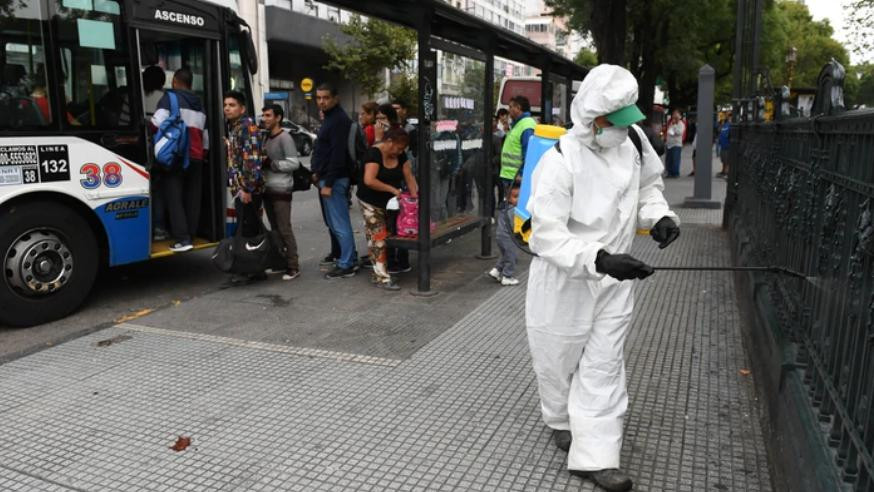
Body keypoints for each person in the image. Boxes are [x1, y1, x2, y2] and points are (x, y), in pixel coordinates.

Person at [525, 64, 680, 492]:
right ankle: (558, 417)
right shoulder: (560, 162)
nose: (624, 129)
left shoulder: (631, 140)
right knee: (557, 359)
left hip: (615, 281)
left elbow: (649, 187)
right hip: (565, 281)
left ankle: (595, 456)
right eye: (615, 122)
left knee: (604, 365)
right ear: (592, 118)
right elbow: (547, 236)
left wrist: (660, 217)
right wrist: (599, 258)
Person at [150, 67, 209, 252]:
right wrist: (203, 153)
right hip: (197, 156)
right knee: (192, 197)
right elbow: (205, 135)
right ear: (190, 83)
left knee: (174, 198)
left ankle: (182, 239)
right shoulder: (200, 104)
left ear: (175, 81)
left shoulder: (170, 98)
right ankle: (190, 236)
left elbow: (156, 123)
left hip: (176, 156)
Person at [356, 128, 418, 290]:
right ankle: (381, 277)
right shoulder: (373, 154)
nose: (399, 152)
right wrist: (392, 190)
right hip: (370, 202)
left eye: (402, 150)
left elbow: (409, 177)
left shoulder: (400, 156)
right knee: (378, 237)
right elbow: (369, 180)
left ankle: (384, 266)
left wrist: (415, 199)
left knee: (389, 235)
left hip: (392, 204)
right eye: (398, 148)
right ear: (389, 142)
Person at [312, 83, 358, 279]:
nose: (321, 101)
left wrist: (329, 183)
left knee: (339, 223)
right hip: (328, 178)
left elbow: (338, 154)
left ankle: (347, 263)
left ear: (335, 98)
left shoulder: (338, 120)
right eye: (319, 98)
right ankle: (346, 259)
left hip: (335, 179)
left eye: (326, 98)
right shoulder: (331, 118)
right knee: (334, 222)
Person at [224, 90, 265, 281]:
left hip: (248, 190)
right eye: (225, 105)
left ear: (242, 108)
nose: (227, 108)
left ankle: (252, 270)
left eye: (232, 105)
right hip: (241, 189)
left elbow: (253, 161)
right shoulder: (236, 127)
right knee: (248, 228)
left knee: (248, 231)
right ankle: (254, 269)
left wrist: (247, 188)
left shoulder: (247, 128)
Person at [261, 104, 301, 280]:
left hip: (282, 189)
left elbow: (294, 163)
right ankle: (281, 261)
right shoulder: (266, 137)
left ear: (278, 118)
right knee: (275, 229)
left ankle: (293, 265)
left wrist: (272, 164)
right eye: (264, 115)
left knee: (284, 228)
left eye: (268, 115)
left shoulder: (285, 138)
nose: (265, 119)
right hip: (267, 188)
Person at [499, 95, 537, 192]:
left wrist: (522, 175)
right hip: (511, 176)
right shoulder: (518, 124)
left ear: (518, 108)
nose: (509, 110)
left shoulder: (526, 125)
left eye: (511, 107)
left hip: (517, 179)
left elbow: (529, 154)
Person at [487, 181, 520, 286]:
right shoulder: (513, 210)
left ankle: (496, 270)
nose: (518, 199)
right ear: (508, 198)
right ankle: (507, 276)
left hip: (500, 235)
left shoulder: (503, 207)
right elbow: (515, 226)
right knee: (512, 256)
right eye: (515, 197)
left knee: (505, 254)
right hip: (508, 237)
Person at [664, 109, 685, 178]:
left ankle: (675, 173)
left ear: (679, 116)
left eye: (676, 114)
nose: (674, 115)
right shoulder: (671, 123)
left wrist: (675, 125)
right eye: (673, 114)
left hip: (676, 144)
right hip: (669, 144)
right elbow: (669, 132)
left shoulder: (681, 124)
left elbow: (679, 132)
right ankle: (669, 172)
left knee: (675, 159)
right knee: (669, 159)